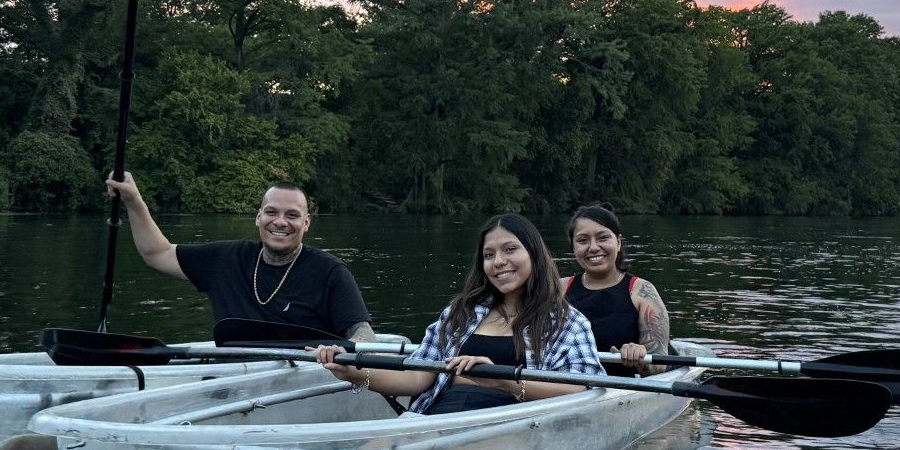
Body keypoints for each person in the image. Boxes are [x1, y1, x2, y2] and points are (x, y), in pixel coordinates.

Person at [316, 213, 601, 414]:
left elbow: (581, 388)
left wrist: (504, 381)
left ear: (534, 256)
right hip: (439, 416)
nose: (499, 262)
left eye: (510, 249)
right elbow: (417, 377)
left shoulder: (567, 322)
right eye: (489, 255)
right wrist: (356, 372)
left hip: (511, 425)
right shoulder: (460, 313)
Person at [104, 171, 377, 341]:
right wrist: (133, 201)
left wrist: (348, 356)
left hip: (303, 384)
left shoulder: (330, 272)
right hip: (234, 379)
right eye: (271, 212)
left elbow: (362, 333)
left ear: (306, 223)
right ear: (258, 217)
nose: (280, 222)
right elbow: (157, 253)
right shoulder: (224, 258)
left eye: (292, 215)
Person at [564, 204, 672, 376]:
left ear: (619, 243)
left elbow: (660, 365)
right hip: (570, 389)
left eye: (602, 238)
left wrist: (641, 357)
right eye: (583, 240)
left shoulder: (641, 291)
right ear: (573, 246)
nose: (593, 247)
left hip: (624, 390)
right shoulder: (557, 289)